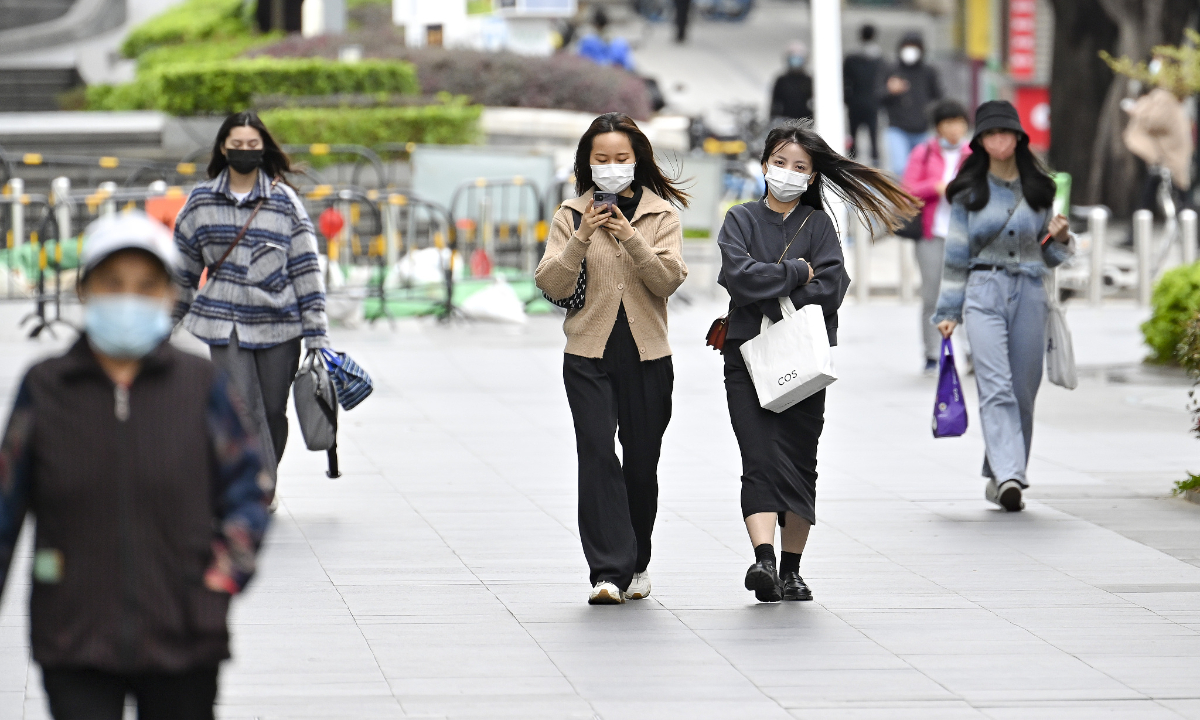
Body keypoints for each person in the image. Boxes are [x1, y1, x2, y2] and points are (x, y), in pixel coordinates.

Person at [0, 212, 268, 720]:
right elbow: (4, 505)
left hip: (184, 631)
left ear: (169, 295)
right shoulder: (46, 389)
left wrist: (221, 579)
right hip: (74, 634)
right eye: (113, 284)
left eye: (147, 286)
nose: (129, 298)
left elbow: (247, 489)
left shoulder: (201, 387)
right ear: (85, 290)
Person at [718, 120, 919, 602]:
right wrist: (793, 273)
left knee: (799, 461)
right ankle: (763, 559)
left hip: (805, 361)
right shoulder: (739, 219)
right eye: (780, 163)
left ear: (812, 177)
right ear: (764, 164)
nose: (788, 173)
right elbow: (737, 277)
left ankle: (792, 569)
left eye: (800, 167)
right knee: (758, 457)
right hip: (747, 357)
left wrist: (773, 283)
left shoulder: (819, 225)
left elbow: (832, 287)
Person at [535, 112, 689, 605]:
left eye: (621, 158)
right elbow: (551, 284)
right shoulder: (569, 214)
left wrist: (628, 235)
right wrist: (582, 235)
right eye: (601, 159)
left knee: (641, 463)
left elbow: (667, 280)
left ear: (637, 160)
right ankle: (606, 571)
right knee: (597, 454)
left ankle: (638, 561)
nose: (611, 167)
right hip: (587, 354)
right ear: (586, 163)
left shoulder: (661, 215)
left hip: (648, 355)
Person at [173, 111, 330, 507]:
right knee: (243, 407)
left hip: (279, 324)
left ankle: (265, 473)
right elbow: (182, 268)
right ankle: (259, 487)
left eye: (252, 145)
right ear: (223, 147)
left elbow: (306, 269)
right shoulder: (201, 201)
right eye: (236, 145)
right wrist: (163, 323)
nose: (244, 151)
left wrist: (317, 332)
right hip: (225, 325)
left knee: (273, 411)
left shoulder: (283, 202)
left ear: (263, 148)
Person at [933, 100, 1074, 512]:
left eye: (1006, 133)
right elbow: (956, 255)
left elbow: (1050, 257)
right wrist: (947, 312)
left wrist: (1061, 238)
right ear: (980, 141)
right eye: (991, 134)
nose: (999, 140)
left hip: (1030, 291)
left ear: (1018, 138)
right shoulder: (968, 193)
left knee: (1024, 391)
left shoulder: (1040, 189)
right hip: (982, 291)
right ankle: (1012, 474)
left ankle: (1000, 475)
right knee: (995, 387)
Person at [902, 99, 972, 374]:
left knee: (966, 295)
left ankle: (971, 352)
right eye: (948, 123)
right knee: (932, 295)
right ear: (938, 127)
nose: (954, 129)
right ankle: (932, 354)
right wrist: (936, 187)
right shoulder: (924, 152)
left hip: (964, 235)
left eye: (959, 122)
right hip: (931, 234)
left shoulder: (974, 153)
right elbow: (908, 189)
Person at [880, 32, 942, 176]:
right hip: (897, 128)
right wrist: (890, 91)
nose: (911, 51)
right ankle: (903, 198)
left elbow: (938, 96)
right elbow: (878, 96)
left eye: (915, 47)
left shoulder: (928, 71)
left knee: (923, 170)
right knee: (900, 167)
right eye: (907, 47)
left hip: (922, 130)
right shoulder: (891, 69)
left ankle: (917, 197)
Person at [843, 24, 884, 165]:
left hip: (855, 101)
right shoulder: (879, 58)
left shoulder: (851, 58)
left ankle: (851, 161)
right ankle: (875, 161)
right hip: (872, 102)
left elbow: (844, 80)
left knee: (853, 133)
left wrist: (847, 99)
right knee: (873, 134)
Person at [770, 41, 814, 123]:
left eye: (799, 58)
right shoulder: (782, 80)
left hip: (805, 122)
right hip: (785, 121)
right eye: (793, 57)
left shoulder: (809, 80)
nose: (796, 61)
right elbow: (775, 104)